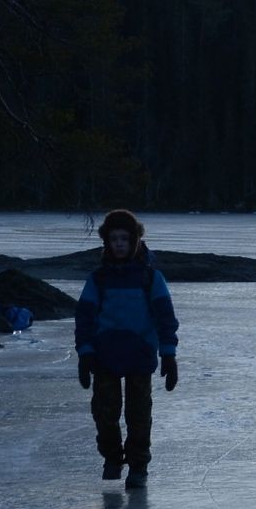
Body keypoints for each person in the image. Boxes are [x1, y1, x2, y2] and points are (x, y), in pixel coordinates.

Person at [75, 209, 179, 490]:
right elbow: (84, 318)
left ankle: (138, 467)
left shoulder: (150, 278)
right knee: (105, 415)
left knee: (139, 416)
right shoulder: (98, 279)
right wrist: (85, 354)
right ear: (106, 243)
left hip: (139, 356)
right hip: (104, 356)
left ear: (135, 241)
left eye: (124, 239)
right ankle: (112, 458)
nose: (119, 244)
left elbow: (165, 319)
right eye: (114, 239)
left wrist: (168, 355)